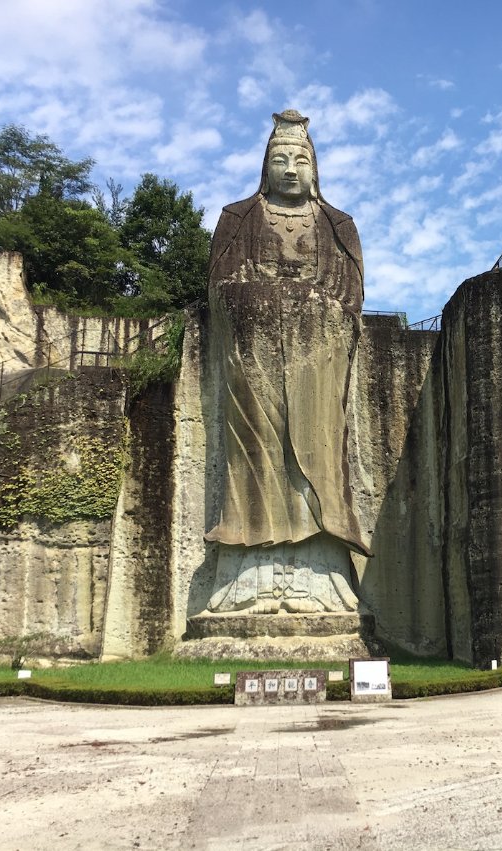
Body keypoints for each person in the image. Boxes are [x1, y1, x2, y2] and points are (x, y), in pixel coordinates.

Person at [204, 110, 369, 614]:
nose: (291, 169)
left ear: (315, 168)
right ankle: (249, 576)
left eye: (300, 159)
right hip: (252, 357)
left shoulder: (337, 224)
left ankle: (321, 577)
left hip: (316, 356)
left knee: (321, 455)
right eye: (280, 160)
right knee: (253, 457)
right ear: (264, 166)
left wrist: (312, 309)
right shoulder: (239, 218)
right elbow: (219, 289)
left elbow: (351, 297)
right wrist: (263, 302)